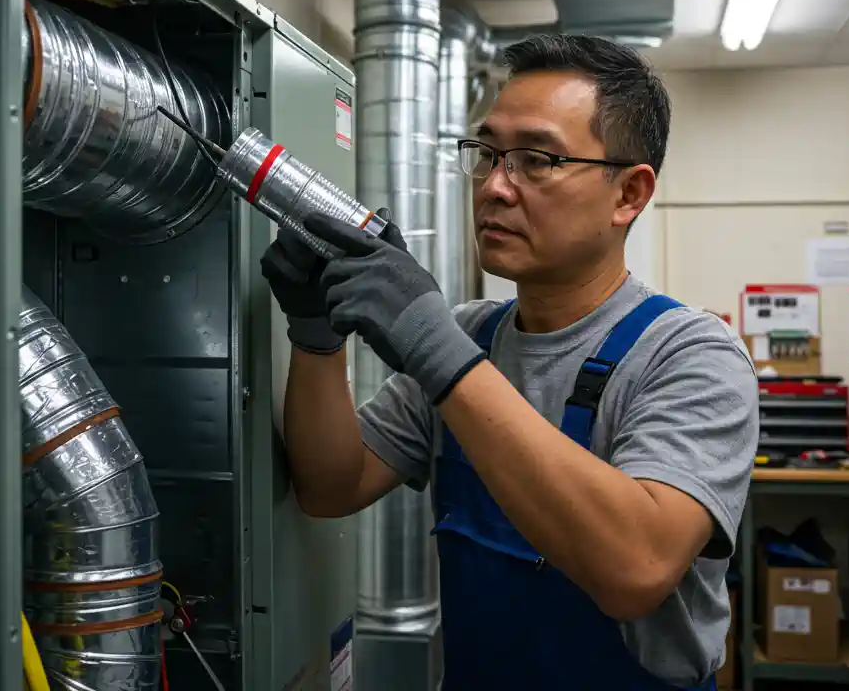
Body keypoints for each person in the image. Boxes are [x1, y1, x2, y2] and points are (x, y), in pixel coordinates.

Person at [261, 34, 758, 690]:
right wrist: (315, 334)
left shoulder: (690, 355)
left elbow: (635, 568)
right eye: (489, 154)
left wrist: (439, 354)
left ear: (628, 195)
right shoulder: (474, 334)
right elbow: (331, 486)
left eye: (538, 160)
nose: (495, 186)